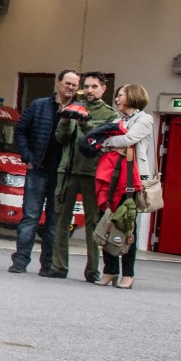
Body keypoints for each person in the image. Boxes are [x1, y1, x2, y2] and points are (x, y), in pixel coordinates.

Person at [47, 72, 117, 282]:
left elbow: (100, 142)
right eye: (86, 86)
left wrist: (85, 124)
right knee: (61, 220)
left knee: (92, 222)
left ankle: (92, 269)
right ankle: (58, 266)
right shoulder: (73, 106)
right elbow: (60, 138)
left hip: (93, 173)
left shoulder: (109, 114)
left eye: (94, 86)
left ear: (103, 89)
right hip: (68, 170)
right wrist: (67, 120)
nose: (89, 91)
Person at [8, 70, 79, 275]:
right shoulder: (39, 105)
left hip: (61, 174)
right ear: (58, 83)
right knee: (30, 217)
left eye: (74, 84)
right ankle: (20, 261)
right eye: (67, 83)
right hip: (37, 170)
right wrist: (27, 158)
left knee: (54, 221)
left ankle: (47, 265)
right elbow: (20, 130)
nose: (70, 87)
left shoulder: (79, 111)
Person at [96, 83, 155, 290]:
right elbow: (105, 140)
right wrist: (110, 142)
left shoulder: (145, 119)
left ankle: (128, 273)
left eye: (121, 95)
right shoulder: (117, 120)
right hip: (112, 176)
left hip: (131, 178)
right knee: (108, 220)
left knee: (126, 223)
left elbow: (129, 139)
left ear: (132, 97)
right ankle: (110, 270)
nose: (117, 99)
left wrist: (108, 143)